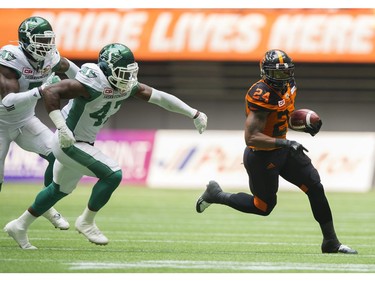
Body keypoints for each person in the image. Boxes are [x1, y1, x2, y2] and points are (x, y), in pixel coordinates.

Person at [4, 42, 208, 249]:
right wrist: (62, 128)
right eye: (122, 73)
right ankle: (86, 221)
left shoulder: (125, 86)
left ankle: (19, 226)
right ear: (107, 69)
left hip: (81, 142)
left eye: (130, 73)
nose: (127, 79)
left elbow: (160, 98)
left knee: (58, 190)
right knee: (113, 174)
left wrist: (193, 113)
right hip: (70, 142)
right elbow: (50, 92)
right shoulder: (92, 82)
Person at [196, 49, 357, 254]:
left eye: (286, 73)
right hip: (261, 154)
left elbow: (282, 118)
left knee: (315, 187)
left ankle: (331, 242)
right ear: (265, 72)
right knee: (263, 207)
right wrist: (286, 144)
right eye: (277, 74)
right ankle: (216, 195)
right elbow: (251, 137)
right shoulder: (261, 94)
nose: (283, 78)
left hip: (282, 147)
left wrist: (303, 124)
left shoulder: (289, 86)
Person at [0, 16, 79, 230]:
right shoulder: (10, 58)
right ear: (26, 41)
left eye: (48, 40)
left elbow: (71, 69)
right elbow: (7, 101)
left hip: (25, 120)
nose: (46, 46)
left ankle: (44, 205)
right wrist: (40, 90)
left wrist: (86, 86)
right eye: (40, 41)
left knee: (60, 156)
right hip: (0, 124)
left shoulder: (50, 57)